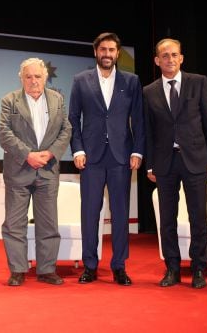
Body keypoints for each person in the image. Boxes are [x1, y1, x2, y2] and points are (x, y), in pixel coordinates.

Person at [143, 38, 207, 289]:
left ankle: (198, 268)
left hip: (196, 160)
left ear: (181, 58)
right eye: (164, 56)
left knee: (199, 216)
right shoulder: (149, 91)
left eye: (174, 55)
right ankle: (172, 269)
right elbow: (148, 131)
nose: (170, 59)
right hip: (165, 163)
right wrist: (150, 165)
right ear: (157, 61)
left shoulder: (199, 83)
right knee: (167, 219)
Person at [69, 32, 145, 286]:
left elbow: (139, 118)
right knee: (89, 212)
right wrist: (77, 150)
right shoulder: (81, 80)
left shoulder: (131, 82)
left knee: (121, 213)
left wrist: (137, 150)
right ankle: (90, 265)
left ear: (118, 53)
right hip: (90, 158)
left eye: (112, 50)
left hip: (121, 156)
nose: (107, 54)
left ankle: (119, 266)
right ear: (95, 52)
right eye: (103, 49)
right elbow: (73, 119)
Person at [0, 57, 72, 286]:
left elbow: (65, 129)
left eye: (37, 76)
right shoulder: (9, 100)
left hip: (48, 170)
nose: (33, 81)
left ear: (45, 78)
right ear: (21, 78)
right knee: (14, 223)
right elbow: (4, 133)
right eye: (28, 76)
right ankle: (18, 270)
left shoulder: (57, 99)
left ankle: (47, 269)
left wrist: (50, 154)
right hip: (19, 169)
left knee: (48, 223)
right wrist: (28, 154)